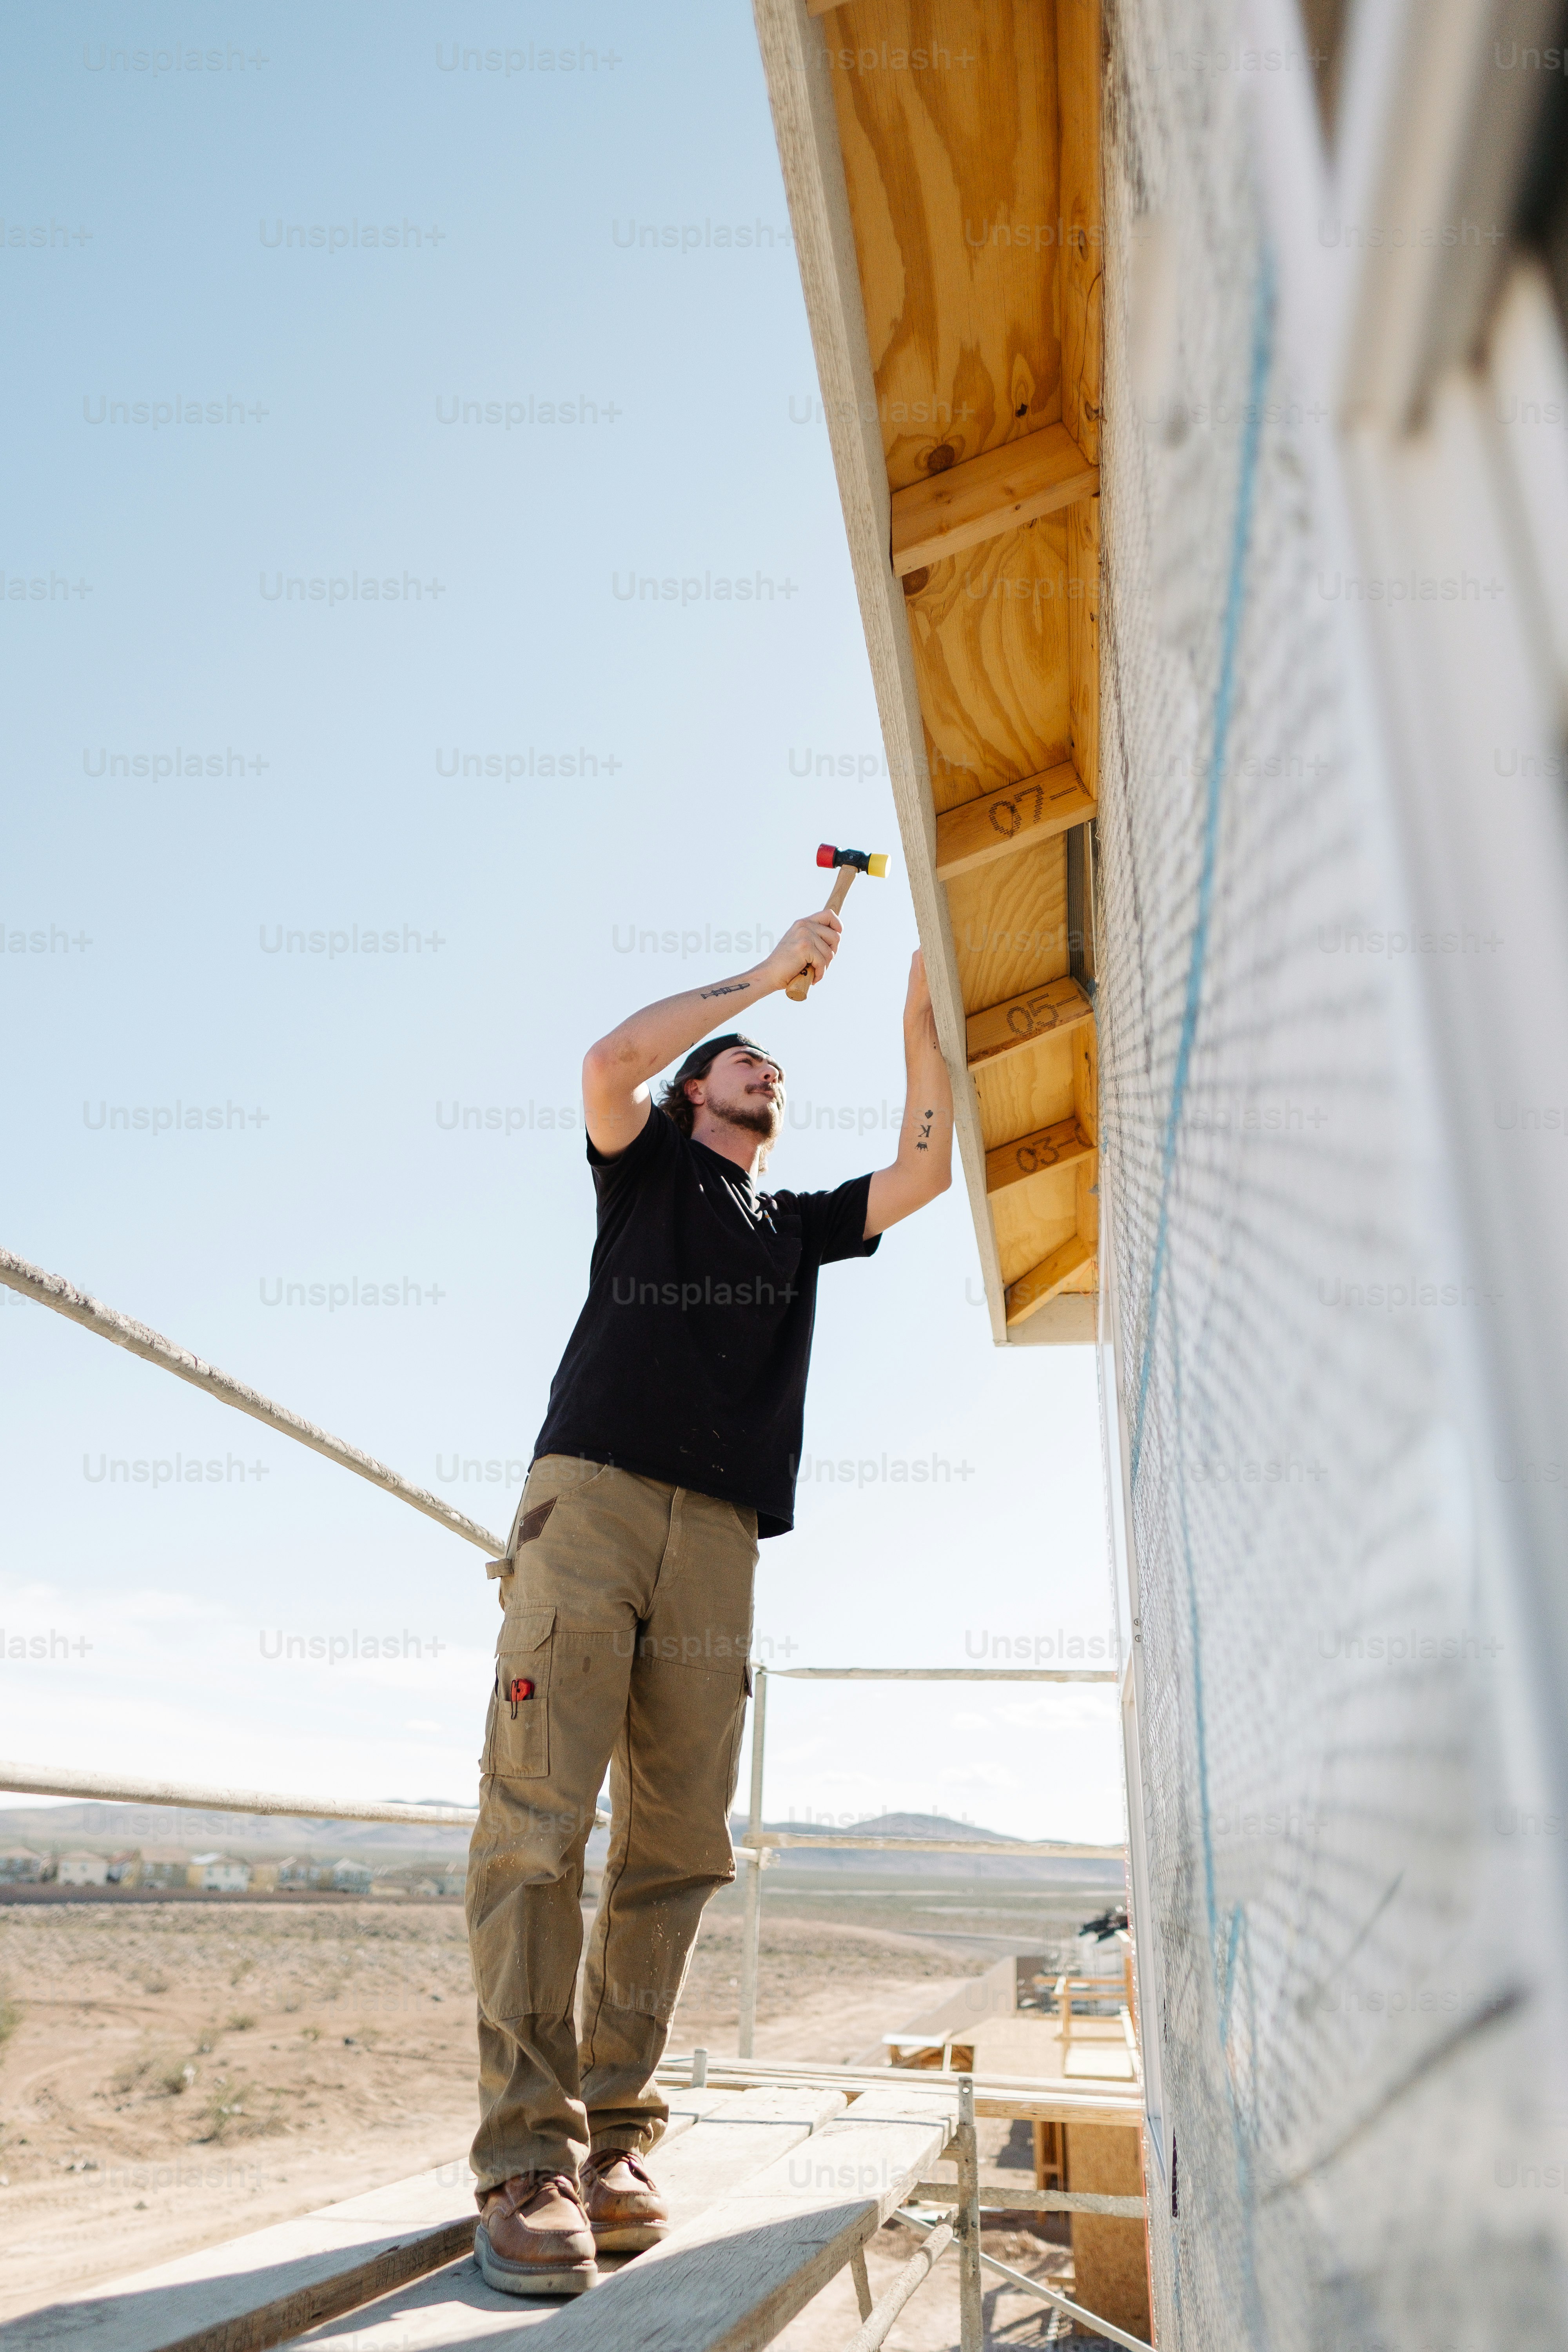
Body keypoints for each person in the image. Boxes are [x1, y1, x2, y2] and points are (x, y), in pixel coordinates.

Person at [465, 906, 955, 2294]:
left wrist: (918, 1025)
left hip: (722, 1538)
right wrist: (762, 976)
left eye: (772, 1066)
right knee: (538, 1827)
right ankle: (522, 2158)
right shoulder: (645, 1167)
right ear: (699, 1093)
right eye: (741, 1061)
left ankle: (617, 2137)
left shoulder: (791, 1226)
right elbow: (608, 1059)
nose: (764, 1071)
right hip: (593, 1503)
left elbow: (922, 1171)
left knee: (678, 1846)